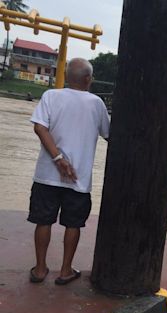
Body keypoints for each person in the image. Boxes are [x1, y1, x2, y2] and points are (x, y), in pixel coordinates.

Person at [28, 57, 110, 285]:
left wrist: (57, 158)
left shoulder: (51, 96)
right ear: (88, 79)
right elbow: (109, 134)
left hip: (47, 175)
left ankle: (40, 269)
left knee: (43, 221)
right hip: (79, 178)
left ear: (66, 76)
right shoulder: (97, 104)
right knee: (73, 224)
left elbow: (39, 127)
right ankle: (65, 270)